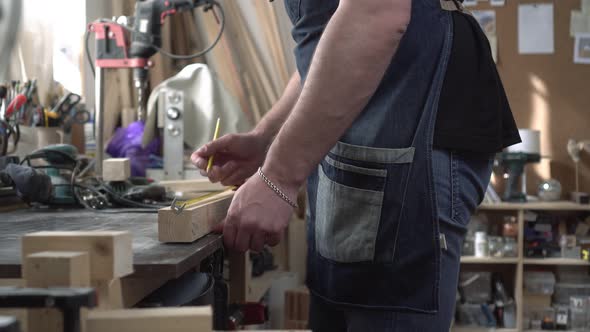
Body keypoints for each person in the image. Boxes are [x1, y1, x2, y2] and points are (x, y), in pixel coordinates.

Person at [192, 0, 521, 330]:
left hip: (411, 128)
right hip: (367, 145)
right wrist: (267, 139)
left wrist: (278, 177)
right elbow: (329, 45)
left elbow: (375, 13)